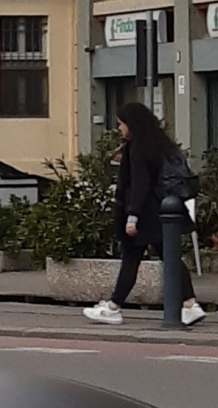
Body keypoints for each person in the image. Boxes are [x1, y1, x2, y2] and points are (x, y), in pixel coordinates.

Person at [85, 101, 206, 327]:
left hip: (143, 215)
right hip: (162, 211)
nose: (119, 129)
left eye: (121, 124)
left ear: (131, 124)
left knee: (131, 259)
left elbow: (139, 184)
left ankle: (113, 307)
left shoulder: (136, 148)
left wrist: (132, 216)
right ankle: (190, 304)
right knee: (170, 258)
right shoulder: (159, 143)